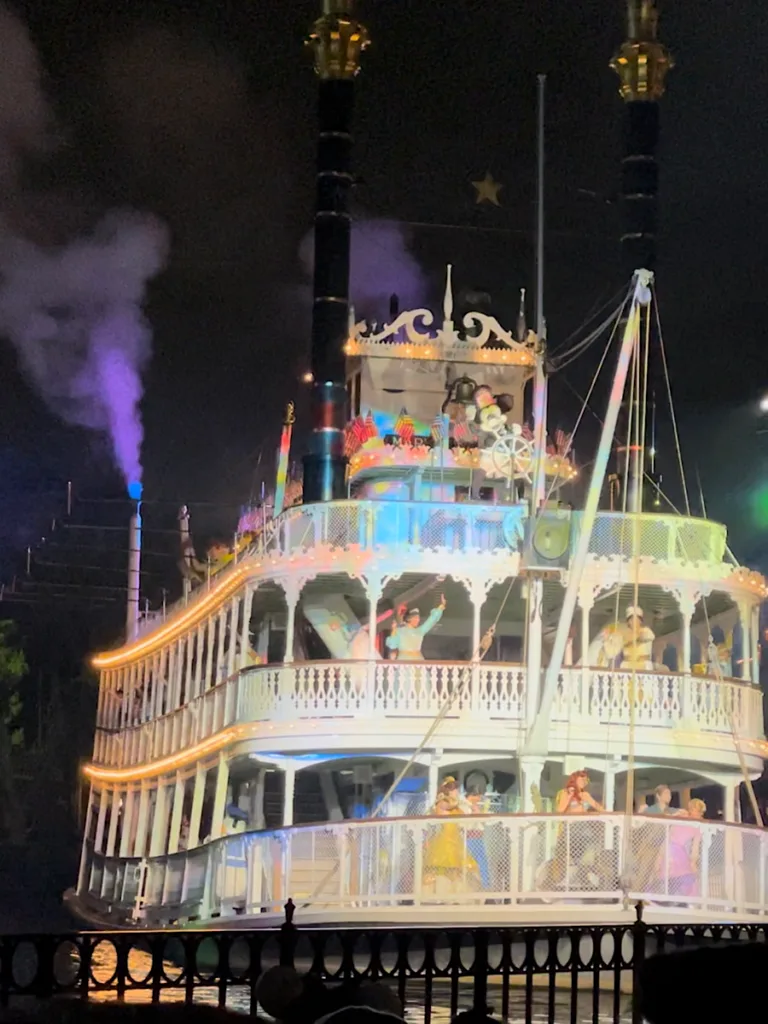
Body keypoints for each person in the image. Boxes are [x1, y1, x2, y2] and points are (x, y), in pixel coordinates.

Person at [423, 776, 479, 895]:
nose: (458, 792)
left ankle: (457, 894)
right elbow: (447, 806)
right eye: (455, 790)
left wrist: (474, 811)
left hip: (456, 840)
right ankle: (437, 894)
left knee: (460, 869)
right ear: (448, 791)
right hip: (444, 840)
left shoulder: (456, 805)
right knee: (442, 868)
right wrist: (464, 801)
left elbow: (464, 817)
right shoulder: (442, 803)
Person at [664, 797, 706, 898]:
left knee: (687, 880)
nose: (692, 811)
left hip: (682, 855)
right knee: (670, 878)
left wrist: (693, 862)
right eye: (691, 808)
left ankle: (687, 900)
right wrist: (675, 815)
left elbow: (695, 846)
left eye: (695, 809)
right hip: (673, 853)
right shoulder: (683, 817)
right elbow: (669, 835)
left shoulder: (700, 826)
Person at [386, 595, 446, 661]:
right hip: (404, 661)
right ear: (409, 619)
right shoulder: (399, 631)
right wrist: (394, 629)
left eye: (418, 618)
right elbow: (392, 645)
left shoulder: (420, 631)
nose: (418, 620)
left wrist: (441, 606)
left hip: (418, 661)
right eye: (415, 618)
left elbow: (431, 621)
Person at [619, 605, 655, 670]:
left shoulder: (646, 631)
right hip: (628, 665)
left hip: (644, 665)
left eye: (637, 619)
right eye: (631, 620)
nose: (634, 622)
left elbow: (649, 636)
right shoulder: (624, 634)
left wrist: (634, 636)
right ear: (628, 622)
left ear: (640, 621)